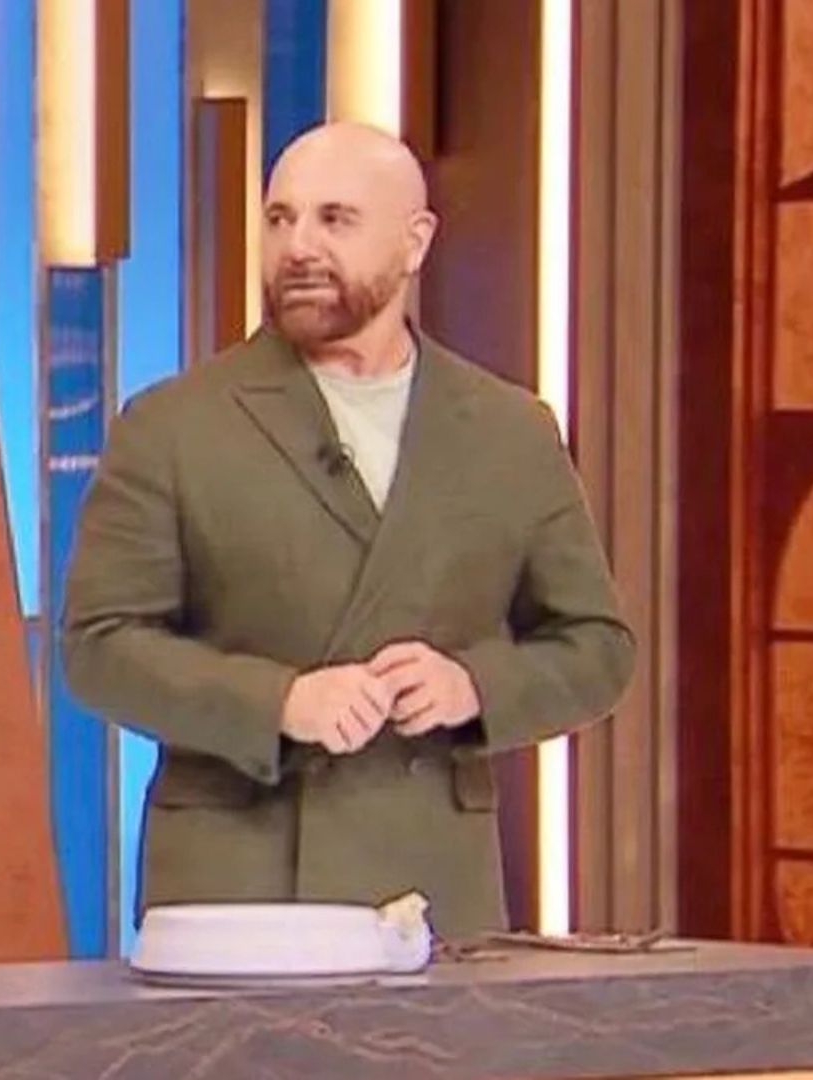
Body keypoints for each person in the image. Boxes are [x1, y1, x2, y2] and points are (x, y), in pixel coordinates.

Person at [60, 122, 634, 937]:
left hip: (429, 890)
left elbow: (597, 648)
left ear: (414, 241)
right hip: (237, 892)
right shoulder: (173, 427)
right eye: (280, 218)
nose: (298, 246)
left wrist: (472, 686)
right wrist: (279, 702)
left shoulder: (511, 431)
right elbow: (100, 648)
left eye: (335, 220)